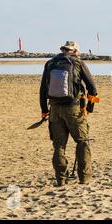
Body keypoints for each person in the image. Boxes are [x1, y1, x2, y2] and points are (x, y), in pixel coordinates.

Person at [40, 41, 98, 186]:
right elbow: (92, 88)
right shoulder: (78, 63)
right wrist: (89, 108)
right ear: (75, 51)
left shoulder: (50, 63)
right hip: (73, 108)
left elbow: (43, 90)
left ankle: (61, 179)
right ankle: (84, 178)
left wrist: (44, 111)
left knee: (59, 146)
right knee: (82, 141)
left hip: (54, 108)